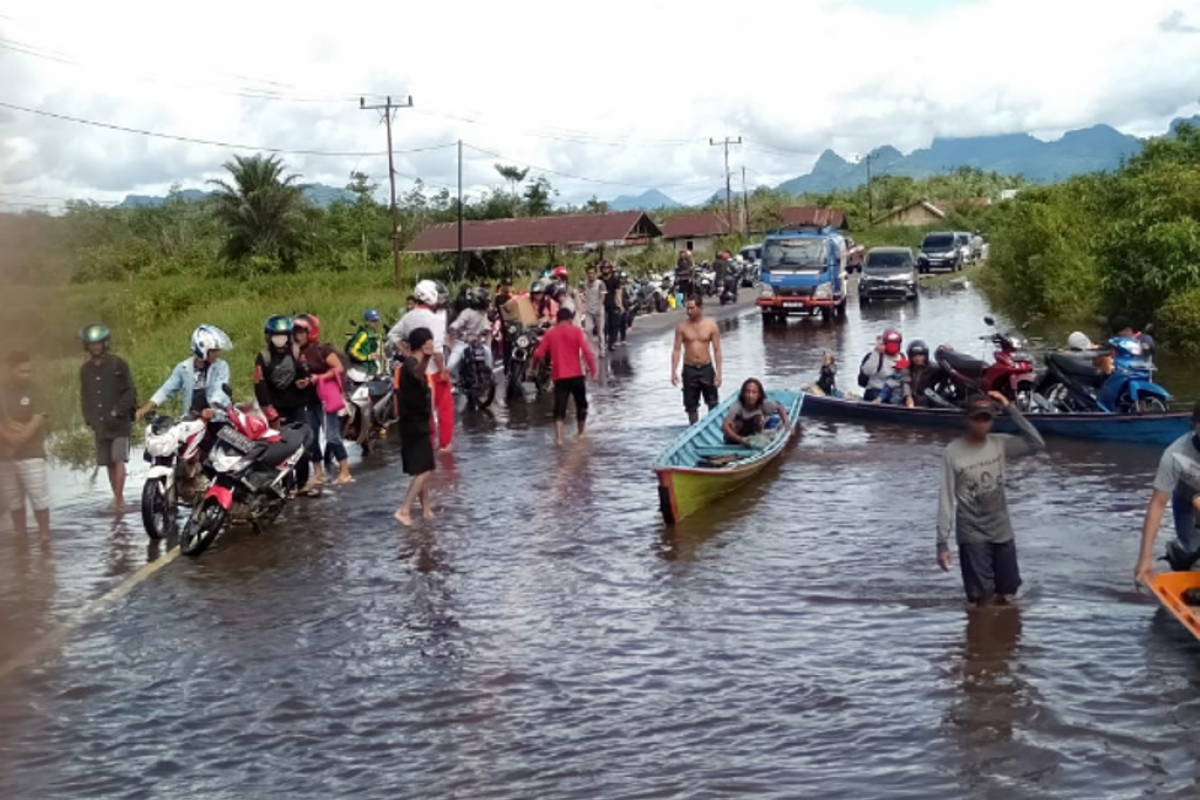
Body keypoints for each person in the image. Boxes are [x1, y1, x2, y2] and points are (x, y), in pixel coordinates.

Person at [937, 392, 1045, 606]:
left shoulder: (999, 444)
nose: (982, 424)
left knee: (1009, 592)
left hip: (1001, 530)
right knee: (983, 600)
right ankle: (980, 637)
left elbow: (1036, 443)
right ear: (966, 419)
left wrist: (1010, 407)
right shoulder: (952, 453)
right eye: (977, 418)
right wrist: (942, 543)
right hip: (972, 533)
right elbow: (946, 498)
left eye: (987, 418)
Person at [1135, 406, 1200, 584]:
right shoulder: (1174, 455)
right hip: (1189, 496)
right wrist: (1144, 559)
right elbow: (1157, 505)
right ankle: (1179, 552)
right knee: (1190, 559)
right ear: (1195, 426)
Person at [390, 279, 453, 453]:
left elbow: (393, 335)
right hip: (432, 370)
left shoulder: (408, 317)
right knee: (444, 408)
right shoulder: (434, 320)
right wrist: (442, 371)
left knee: (425, 409)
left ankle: (429, 441)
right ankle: (445, 445)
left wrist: (408, 355)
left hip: (415, 370)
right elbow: (438, 350)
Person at [253, 315, 315, 494]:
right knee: (281, 449)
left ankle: (302, 483)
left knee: (302, 447)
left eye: (283, 335)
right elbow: (259, 386)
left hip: (297, 407)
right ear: (269, 336)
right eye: (275, 335)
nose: (279, 339)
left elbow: (305, 374)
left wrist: (304, 382)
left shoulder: (296, 353)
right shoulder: (263, 357)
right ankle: (287, 487)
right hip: (276, 410)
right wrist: (270, 413)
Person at [78, 324, 136, 510]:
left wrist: (118, 410)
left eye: (99, 343)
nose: (96, 347)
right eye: (92, 344)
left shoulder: (119, 364)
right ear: (87, 346)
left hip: (119, 421)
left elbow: (130, 391)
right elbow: (85, 396)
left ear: (105, 344)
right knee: (109, 462)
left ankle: (118, 499)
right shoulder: (85, 370)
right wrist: (89, 418)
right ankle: (117, 498)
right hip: (100, 423)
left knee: (119, 458)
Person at [293, 314, 352, 487]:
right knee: (311, 439)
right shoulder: (297, 353)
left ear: (310, 332)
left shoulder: (322, 350)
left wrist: (319, 378)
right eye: (296, 332)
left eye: (301, 332)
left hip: (325, 400)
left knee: (332, 436)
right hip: (309, 400)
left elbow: (339, 368)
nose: (298, 336)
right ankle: (318, 473)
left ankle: (345, 471)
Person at [137, 325, 233, 422]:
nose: (217, 354)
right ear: (202, 350)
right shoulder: (183, 368)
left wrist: (213, 407)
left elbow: (220, 388)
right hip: (192, 420)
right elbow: (166, 389)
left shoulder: (221, 366)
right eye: (213, 351)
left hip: (217, 417)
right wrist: (146, 408)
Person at [531, 307, 598, 445]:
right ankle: (580, 435)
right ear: (569, 319)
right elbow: (587, 352)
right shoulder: (576, 331)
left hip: (559, 376)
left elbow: (538, 354)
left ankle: (559, 439)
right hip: (577, 375)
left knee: (559, 407)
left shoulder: (550, 333)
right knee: (581, 405)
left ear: (557, 319)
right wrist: (593, 370)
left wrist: (534, 367)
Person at [0, 351, 50, 537]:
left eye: (29, 371)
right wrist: (9, 437)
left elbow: (36, 421)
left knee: (39, 497)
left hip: (31, 452)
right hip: (5, 455)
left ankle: (45, 535)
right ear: (10, 370)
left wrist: (16, 440)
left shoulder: (36, 390)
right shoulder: (2, 392)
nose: (27, 375)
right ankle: (21, 535)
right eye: (22, 371)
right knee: (14, 500)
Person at [394, 327, 438, 526]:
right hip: (414, 423)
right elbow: (419, 375)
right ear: (423, 344)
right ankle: (404, 509)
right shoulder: (412, 365)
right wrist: (428, 359)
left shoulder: (411, 364)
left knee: (422, 468)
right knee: (426, 469)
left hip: (414, 422)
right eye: (430, 342)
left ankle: (426, 509)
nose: (432, 345)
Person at [670, 295, 723, 424]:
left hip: (706, 367)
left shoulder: (711, 325)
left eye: (692, 308)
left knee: (712, 402)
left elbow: (717, 350)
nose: (689, 311)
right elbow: (676, 349)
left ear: (700, 308)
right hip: (689, 368)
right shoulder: (682, 327)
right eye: (687, 308)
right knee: (690, 405)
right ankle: (693, 428)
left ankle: (713, 427)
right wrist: (673, 371)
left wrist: (719, 373)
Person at [722, 377, 791, 446]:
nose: (750, 395)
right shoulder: (737, 406)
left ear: (759, 394)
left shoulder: (763, 404)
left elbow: (779, 406)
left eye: (754, 392)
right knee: (735, 424)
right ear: (743, 393)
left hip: (754, 435)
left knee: (757, 418)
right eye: (747, 392)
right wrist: (740, 439)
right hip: (735, 438)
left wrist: (786, 423)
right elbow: (724, 426)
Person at [447, 288, 495, 381]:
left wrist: (486, 331)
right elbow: (458, 322)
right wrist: (453, 328)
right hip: (463, 343)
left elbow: (487, 326)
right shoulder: (467, 312)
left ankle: (489, 376)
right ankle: (456, 381)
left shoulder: (483, 313)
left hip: (478, 343)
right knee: (451, 365)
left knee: (488, 353)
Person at [859, 328, 904, 403]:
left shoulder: (902, 357)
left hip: (894, 391)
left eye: (895, 343)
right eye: (890, 343)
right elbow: (867, 371)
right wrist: (876, 352)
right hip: (875, 390)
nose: (892, 346)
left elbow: (900, 377)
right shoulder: (875, 356)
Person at [900, 340, 947, 408]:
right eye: (914, 356)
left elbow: (947, 371)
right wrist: (908, 398)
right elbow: (906, 384)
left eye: (920, 355)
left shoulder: (933, 367)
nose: (918, 358)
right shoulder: (907, 369)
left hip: (928, 399)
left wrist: (948, 351)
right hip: (911, 400)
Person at [347, 309, 385, 379]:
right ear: (367, 322)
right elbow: (352, 350)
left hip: (372, 371)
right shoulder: (363, 335)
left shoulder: (376, 335)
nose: (376, 323)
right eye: (373, 321)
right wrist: (367, 357)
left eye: (377, 320)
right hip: (361, 372)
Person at [582, 264, 607, 357]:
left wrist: (599, 307)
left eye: (592, 273)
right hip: (588, 310)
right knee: (588, 331)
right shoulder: (584, 284)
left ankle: (602, 350)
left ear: (595, 273)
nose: (590, 275)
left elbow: (602, 296)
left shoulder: (600, 283)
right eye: (589, 273)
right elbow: (582, 295)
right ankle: (591, 351)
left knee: (600, 332)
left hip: (598, 310)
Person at [601, 262, 624, 352]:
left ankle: (612, 343)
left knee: (614, 325)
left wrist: (620, 305)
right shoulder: (599, 280)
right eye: (604, 267)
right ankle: (604, 341)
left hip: (613, 304)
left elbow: (618, 293)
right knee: (604, 324)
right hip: (602, 304)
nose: (605, 269)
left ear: (610, 269)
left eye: (607, 268)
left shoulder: (615, 280)